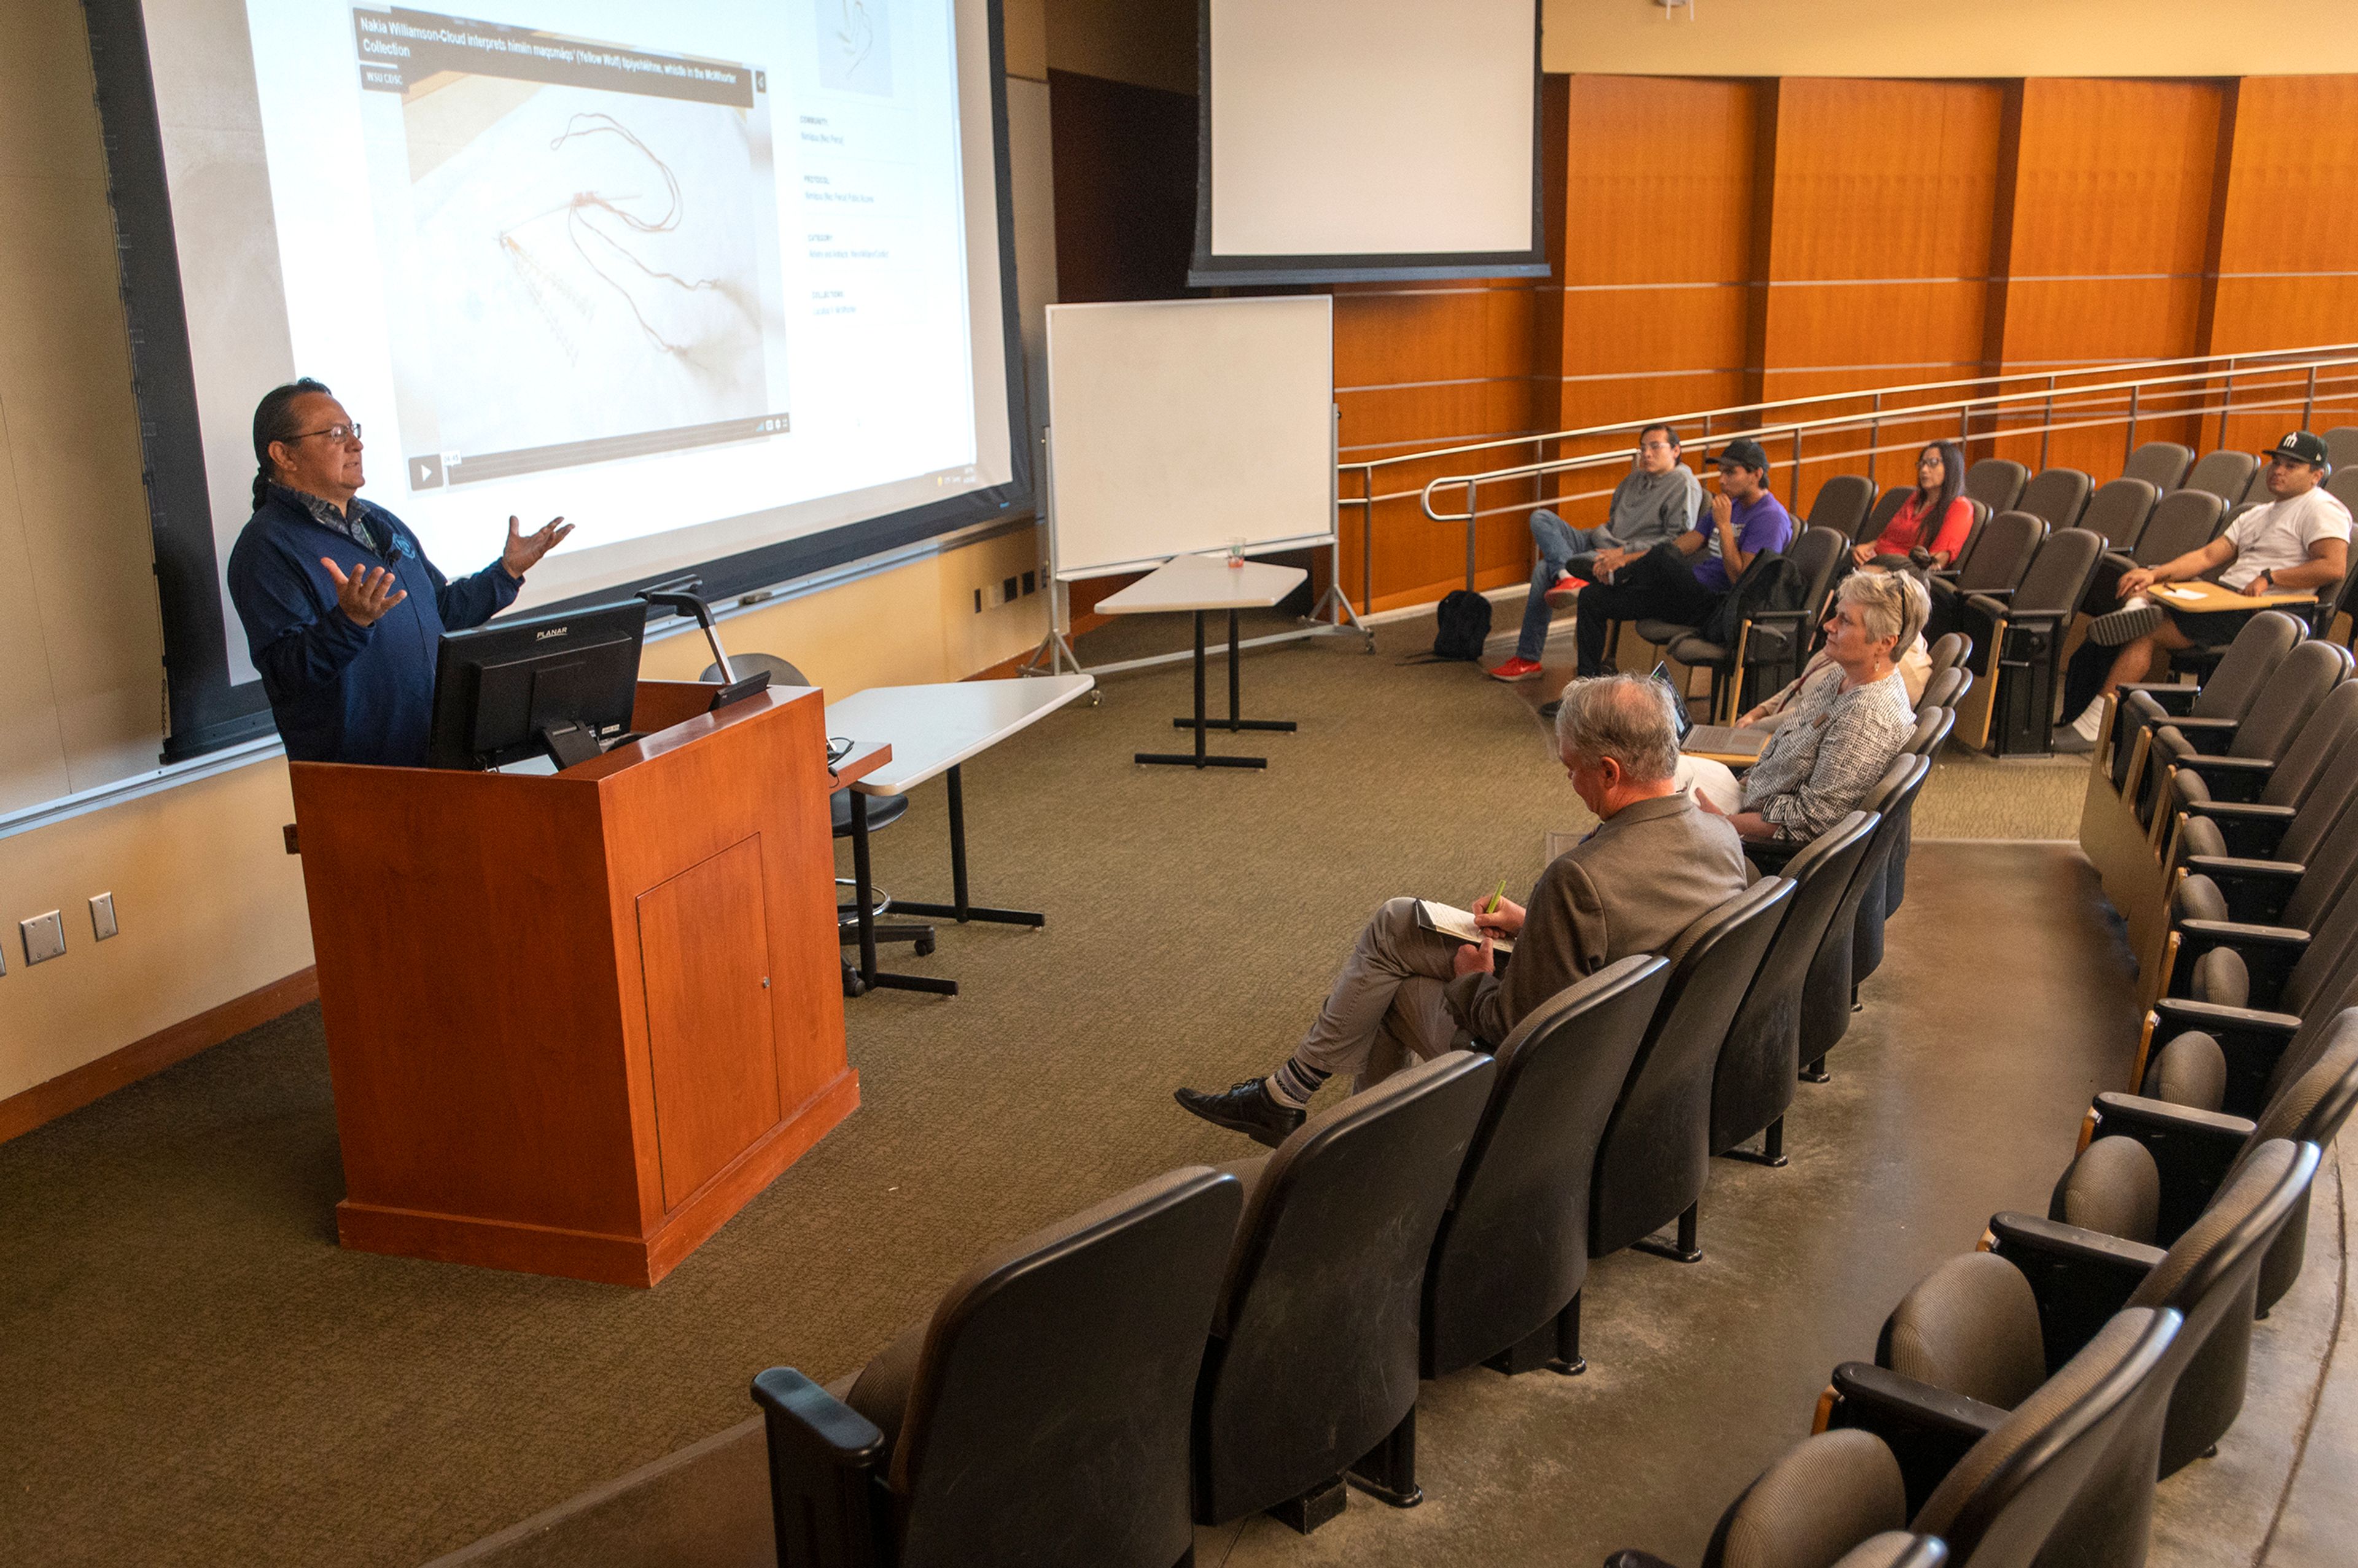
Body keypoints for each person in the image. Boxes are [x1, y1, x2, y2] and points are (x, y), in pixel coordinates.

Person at [1173, 675, 1751, 1145]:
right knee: (1399, 921)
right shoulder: (1719, 837)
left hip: (1563, 1076)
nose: (1569, 781)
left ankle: (1344, 1141)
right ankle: (1294, 1102)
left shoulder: (1582, 877)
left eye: (1571, 767)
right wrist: (1536, 926)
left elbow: (1512, 1026)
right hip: (1643, 1037)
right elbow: (1631, 936)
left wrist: (1470, 981)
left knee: (1390, 988)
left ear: (1610, 771)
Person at [226, 379, 574, 767]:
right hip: (363, 780)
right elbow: (286, 674)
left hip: (439, 756)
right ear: (284, 455)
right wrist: (351, 622)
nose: (356, 445)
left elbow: (438, 611)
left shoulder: (378, 521)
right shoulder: (266, 547)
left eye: (353, 431)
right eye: (336, 434)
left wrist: (505, 573)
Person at [2054, 430, 2351, 751]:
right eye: (2276, 462)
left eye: (2292, 466)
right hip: (2224, 598)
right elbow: (2208, 556)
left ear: (2316, 476)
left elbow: (2332, 567)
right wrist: (2155, 573)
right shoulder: (2259, 513)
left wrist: (2270, 576)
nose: (2278, 470)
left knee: (2144, 632)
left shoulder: (2322, 509)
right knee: (2142, 589)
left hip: (2265, 612)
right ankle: (2136, 611)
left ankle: (2091, 727)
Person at [1706, 571, 1926, 845]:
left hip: (1758, 842)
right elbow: (1787, 743)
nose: (1829, 626)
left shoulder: (1866, 717)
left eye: (1845, 621)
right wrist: (1740, 785)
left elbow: (1813, 820)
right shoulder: (1844, 676)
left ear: (1885, 643)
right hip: (1745, 800)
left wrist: (1722, 822)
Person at [1487, 423, 1701, 681]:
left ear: (1676, 450)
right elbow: (1613, 522)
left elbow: (1675, 541)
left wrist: (1624, 551)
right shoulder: (1634, 478)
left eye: (1655, 447)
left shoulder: (1683, 483)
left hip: (1626, 557)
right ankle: (1567, 575)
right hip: (1598, 540)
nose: (1646, 454)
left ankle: (1528, 658)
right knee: (1541, 517)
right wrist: (1601, 538)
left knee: (1543, 569)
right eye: (1643, 448)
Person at [1571, 437, 1795, 678]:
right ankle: (1586, 683)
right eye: (1721, 472)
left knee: (1663, 555)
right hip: (1684, 595)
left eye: (1731, 473)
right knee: (1592, 597)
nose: (1721, 480)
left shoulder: (1770, 518)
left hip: (1714, 606)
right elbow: (1682, 546)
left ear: (1756, 474)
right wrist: (1626, 558)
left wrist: (1725, 527)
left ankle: (1623, 577)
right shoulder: (1732, 505)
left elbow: (1742, 583)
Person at [1856, 441, 1972, 570]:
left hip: (1901, 576)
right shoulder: (1915, 498)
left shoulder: (1960, 507)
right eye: (1922, 464)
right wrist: (1867, 548)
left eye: (1933, 463)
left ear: (1951, 467)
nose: (1924, 470)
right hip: (1875, 565)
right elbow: (1888, 538)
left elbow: (1933, 564)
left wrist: (1882, 567)